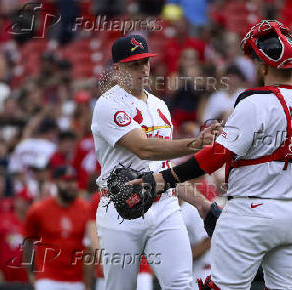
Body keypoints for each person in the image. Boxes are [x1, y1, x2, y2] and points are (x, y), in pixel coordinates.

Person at [128, 20, 292, 290]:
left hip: (251, 211)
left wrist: (161, 179)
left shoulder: (255, 102)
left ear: (263, 65)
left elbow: (214, 157)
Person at [91, 35, 219, 290]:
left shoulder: (160, 105)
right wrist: (195, 143)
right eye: (134, 63)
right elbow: (145, 149)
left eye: (145, 61)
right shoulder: (108, 104)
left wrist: (201, 203)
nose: (143, 69)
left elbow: (164, 169)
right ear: (117, 69)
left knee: (181, 284)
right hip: (120, 207)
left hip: (164, 206)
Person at [23, 166, 91, 290]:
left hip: (76, 280)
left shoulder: (85, 209)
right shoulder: (38, 210)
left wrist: (87, 283)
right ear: (56, 182)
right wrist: (31, 274)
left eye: (73, 181)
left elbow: (89, 248)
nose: (71, 185)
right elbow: (28, 242)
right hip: (48, 278)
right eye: (66, 181)